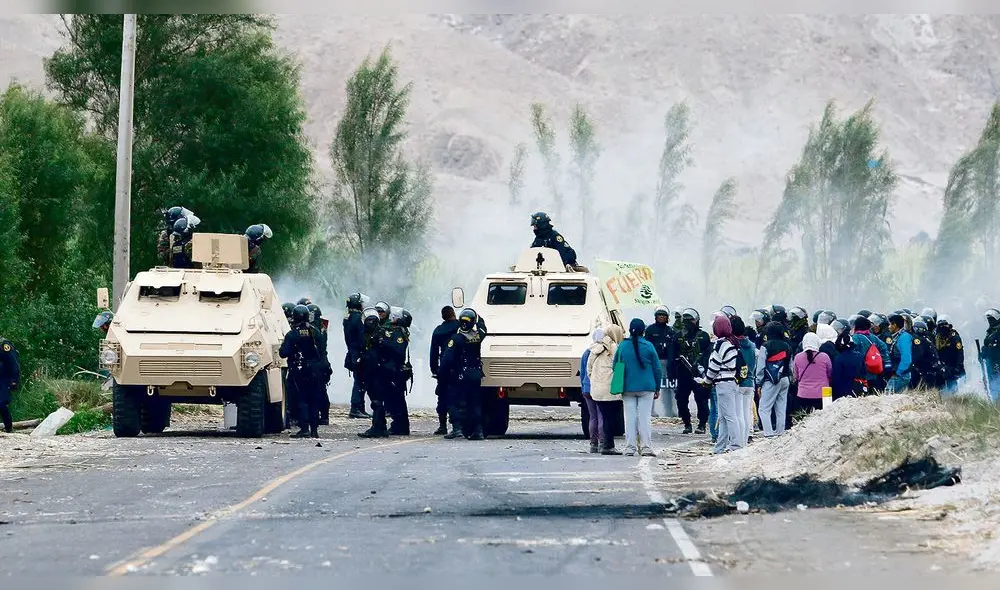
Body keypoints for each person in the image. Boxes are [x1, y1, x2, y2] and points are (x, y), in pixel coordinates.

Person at [615, 319, 661, 457]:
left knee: (629, 418)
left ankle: (630, 447)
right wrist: (657, 387)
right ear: (643, 331)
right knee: (644, 417)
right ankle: (646, 447)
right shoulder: (649, 346)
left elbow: (616, 366)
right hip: (647, 387)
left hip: (627, 387)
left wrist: (619, 384)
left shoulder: (622, 346)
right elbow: (657, 369)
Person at [279, 305, 326, 439]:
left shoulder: (292, 334)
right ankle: (314, 429)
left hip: (299, 370)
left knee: (301, 399)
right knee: (314, 399)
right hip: (316, 369)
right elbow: (322, 349)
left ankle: (304, 428)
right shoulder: (315, 331)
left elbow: (283, 353)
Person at [439, 309, 486, 440]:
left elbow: (447, 360)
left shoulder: (456, 339)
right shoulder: (478, 336)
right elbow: (483, 328)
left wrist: (441, 375)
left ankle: (457, 428)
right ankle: (478, 430)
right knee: (474, 402)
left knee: (452, 400)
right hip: (476, 373)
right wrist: (478, 315)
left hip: (462, 375)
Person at [701, 314, 742, 454]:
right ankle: (720, 446)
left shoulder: (720, 344)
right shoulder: (732, 342)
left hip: (723, 384)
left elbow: (714, 366)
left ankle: (736, 445)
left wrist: (706, 381)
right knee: (724, 417)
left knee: (729, 416)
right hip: (730, 382)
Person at [588, 324, 624, 455]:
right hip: (610, 389)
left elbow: (589, 369)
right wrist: (619, 388)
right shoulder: (615, 348)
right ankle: (608, 446)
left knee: (604, 416)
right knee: (611, 418)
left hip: (597, 390)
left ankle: (607, 445)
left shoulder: (595, 347)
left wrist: (595, 381)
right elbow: (619, 368)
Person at [674, 308, 712, 435]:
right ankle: (687, 423)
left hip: (698, 374)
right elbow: (673, 355)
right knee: (681, 399)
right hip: (683, 373)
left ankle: (702, 424)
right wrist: (672, 372)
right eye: (686, 320)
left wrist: (704, 370)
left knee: (701, 399)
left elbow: (708, 355)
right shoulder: (678, 336)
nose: (688, 323)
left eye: (691, 320)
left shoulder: (704, 336)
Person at [358, 308, 391, 438]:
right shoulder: (381, 333)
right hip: (375, 371)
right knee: (376, 399)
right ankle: (380, 425)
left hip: (375, 371)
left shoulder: (372, 335)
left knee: (376, 400)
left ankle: (378, 427)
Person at [756, 321, 791, 437]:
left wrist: (759, 383)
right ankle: (780, 433)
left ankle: (769, 434)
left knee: (764, 408)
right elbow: (791, 365)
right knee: (781, 407)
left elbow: (760, 367)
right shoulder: (787, 346)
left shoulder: (765, 346)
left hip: (771, 380)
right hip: (785, 379)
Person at [430, 306, 460, 435]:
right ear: (453, 313)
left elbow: (433, 352)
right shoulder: (460, 327)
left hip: (443, 367)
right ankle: (457, 426)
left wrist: (435, 369)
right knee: (457, 397)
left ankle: (442, 425)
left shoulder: (438, 330)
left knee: (442, 396)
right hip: (459, 366)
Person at [644, 306, 677, 418]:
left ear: (667, 317)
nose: (661, 317)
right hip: (654, 361)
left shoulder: (671, 331)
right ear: (655, 316)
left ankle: (669, 410)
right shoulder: (649, 330)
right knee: (653, 386)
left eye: (663, 315)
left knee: (668, 387)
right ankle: (651, 411)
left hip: (668, 362)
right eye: (659, 315)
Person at [386, 310, 413, 436]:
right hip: (395, 370)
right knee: (395, 399)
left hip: (396, 370)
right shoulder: (397, 331)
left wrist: (384, 343)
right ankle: (398, 424)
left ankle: (400, 426)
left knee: (397, 399)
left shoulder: (399, 333)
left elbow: (398, 351)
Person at [792, 332, 832, 415]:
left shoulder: (798, 357)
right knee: (824, 418)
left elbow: (796, 376)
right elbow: (830, 373)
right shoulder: (824, 356)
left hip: (803, 393)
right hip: (823, 393)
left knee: (804, 420)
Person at [343, 293, 369, 419]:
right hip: (358, 353)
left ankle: (360, 408)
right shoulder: (357, 318)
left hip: (353, 352)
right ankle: (355, 408)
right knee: (360, 381)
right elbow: (361, 337)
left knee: (360, 380)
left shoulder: (348, 317)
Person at [731, 316, 756, 447]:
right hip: (750, 382)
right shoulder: (751, 345)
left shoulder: (733, 345)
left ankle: (738, 441)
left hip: (738, 383)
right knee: (747, 414)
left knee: (737, 414)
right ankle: (746, 440)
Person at [580, 328, 605, 453]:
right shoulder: (605, 351)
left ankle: (593, 444)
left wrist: (583, 386)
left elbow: (582, 372)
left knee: (592, 417)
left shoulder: (587, 352)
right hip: (599, 387)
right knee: (601, 416)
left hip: (587, 388)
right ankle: (602, 442)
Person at [852, 316, 891, 391]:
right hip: (874, 370)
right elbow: (884, 348)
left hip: (862, 372)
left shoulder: (855, 337)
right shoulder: (873, 337)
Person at [936, 315, 966, 395]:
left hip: (953, 365)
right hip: (942, 365)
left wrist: (958, 366)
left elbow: (960, 353)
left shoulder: (954, 337)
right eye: (940, 326)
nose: (942, 328)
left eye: (944, 325)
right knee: (941, 389)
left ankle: (954, 401)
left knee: (952, 387)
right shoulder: (937, 337)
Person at [832, 330, 865, 400]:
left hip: (842, 392)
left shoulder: (838, 358)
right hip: (858, 389)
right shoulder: (860, 356)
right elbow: (864, 373)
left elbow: (836, 378)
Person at [911, 318, 944, 390]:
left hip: (926, 372)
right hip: (930, 371)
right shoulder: (926, 339)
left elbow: (918, 355)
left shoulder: (919, 340)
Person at [886, 314, 914, 394]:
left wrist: (898, 373)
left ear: (895, 325)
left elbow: (906, 359)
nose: (889, 326)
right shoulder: (900, 336)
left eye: (890, 324)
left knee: (888, 397)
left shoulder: (904, 337)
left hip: (901, 375)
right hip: (900, 373)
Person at [0, 336, 20, 433]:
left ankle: (8, 427)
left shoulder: (4, 345)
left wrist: (14, 380)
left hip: (4, 379)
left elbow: (13, 363)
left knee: (2, 403)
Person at [980, 309, 1000, 403]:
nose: (990, 321)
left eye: (992, 319)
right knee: (992, 385)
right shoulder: (990, 332)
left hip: (997, 362)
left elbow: (995, 350)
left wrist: (987, 351)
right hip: (990, 363)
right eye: (989, 319)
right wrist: (982, 354)